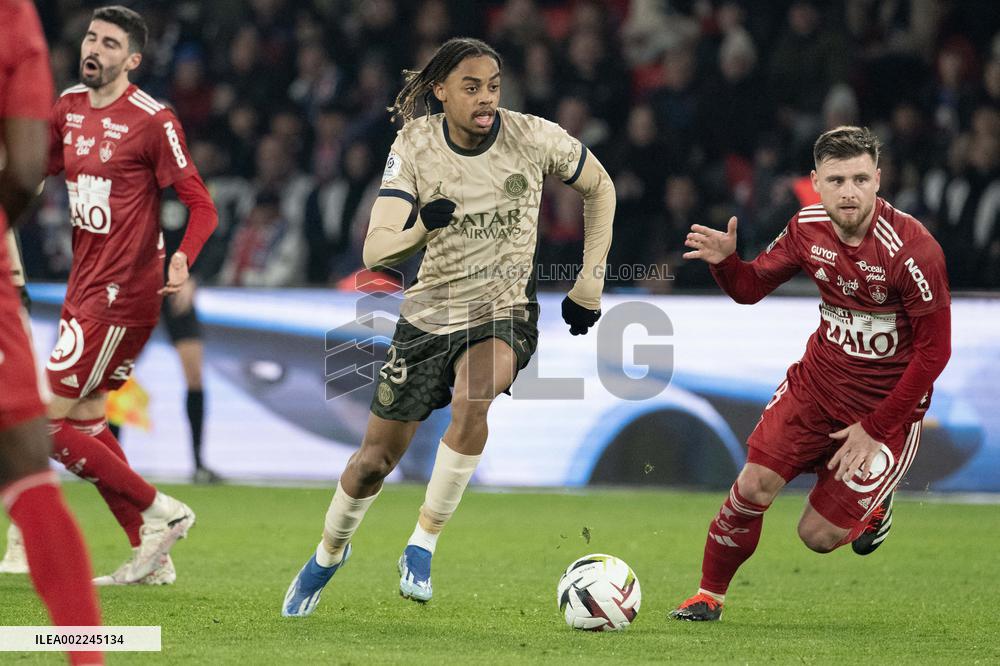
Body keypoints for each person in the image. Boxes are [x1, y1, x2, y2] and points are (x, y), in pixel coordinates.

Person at [282, 37, 615, 616]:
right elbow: (376, 251)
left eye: (493, 85)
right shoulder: (414, 144)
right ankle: (328, 556)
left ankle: (422, 543)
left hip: (501, 312)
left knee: (474, 396)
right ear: (440, 91)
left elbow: (600, 187)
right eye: (471, 87)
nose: (486, 98)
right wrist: (420, 230)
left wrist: (590, 282)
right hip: (426, 318)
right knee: (371, 465)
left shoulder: (531, 136)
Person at [671, 126, 951, 621]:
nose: (849, 192)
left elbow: (934, 355)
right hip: (815, 389)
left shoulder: (914, 251)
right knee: (751, 488)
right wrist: (727, 264)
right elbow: (751, 287)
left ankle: (874, 503)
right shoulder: (807, 226)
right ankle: (708, 596)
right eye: (837, 179)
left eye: (861, 179)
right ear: (815, 183)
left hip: (885, 412)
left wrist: (876, 429)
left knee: (817, 537)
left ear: (879, 180)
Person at [25, 5, 215, 587]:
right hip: (82, 285)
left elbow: (201, 203)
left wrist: (184, 257)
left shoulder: (152, 120)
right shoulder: (69, 107)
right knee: (84, 421)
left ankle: (162, 510)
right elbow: (43, 169)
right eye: (91, 37)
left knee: (41, 421)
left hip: (124, 291)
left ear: (131, 60)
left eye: (110, 43)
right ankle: (148, 553)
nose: (95, 48)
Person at [0, 1, 104, 663]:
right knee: (28, 467)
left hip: (104, 290)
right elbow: (25, 168)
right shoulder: (13, 17)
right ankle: (85, 656)